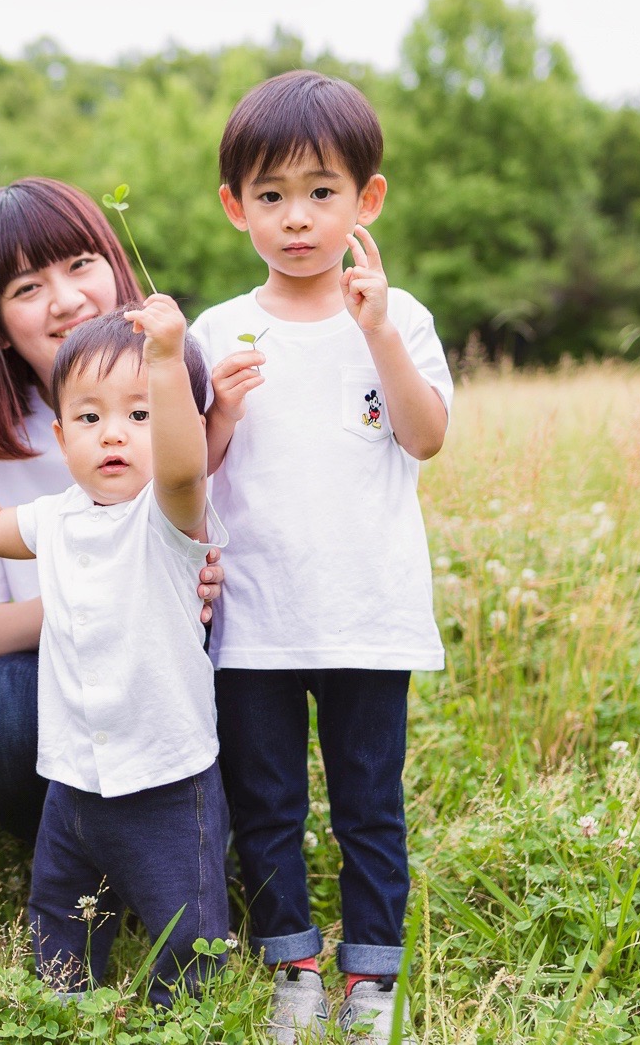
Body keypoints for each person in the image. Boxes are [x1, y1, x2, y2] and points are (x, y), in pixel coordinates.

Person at [0, 300, 231, 1006]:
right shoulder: (58, 516)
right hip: (73, 775)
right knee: (60, 905)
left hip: (165, 773)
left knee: (188, 926)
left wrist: (165, 361)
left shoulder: (169, 516)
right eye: (90, 418)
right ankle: (68, 996)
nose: (113, 434)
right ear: (62, 437)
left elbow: (184, 468)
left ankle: (179, 1010)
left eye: (140, 415)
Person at [196, 70, 453, 1044]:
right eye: (269, 195)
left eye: (320, 191)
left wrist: (377, 326)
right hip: (255, 617)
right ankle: (292, 963)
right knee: (266, 802)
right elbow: (196, 469)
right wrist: (216, 405)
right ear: (235, 208)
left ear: (365, 199)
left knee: (366, 804)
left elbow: (424, 436)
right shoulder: (222, 331)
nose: (295, 217)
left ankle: (370, 978)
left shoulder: (398, 317)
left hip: (365, 614)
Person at [0, 178, 222, 841]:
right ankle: (80, 852)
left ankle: (208, 832)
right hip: (63, 684)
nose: (64, 300)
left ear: (113, 267)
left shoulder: (172, 379)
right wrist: (103, 589)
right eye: (26, 288)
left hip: (175, 673)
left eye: (78, 264)